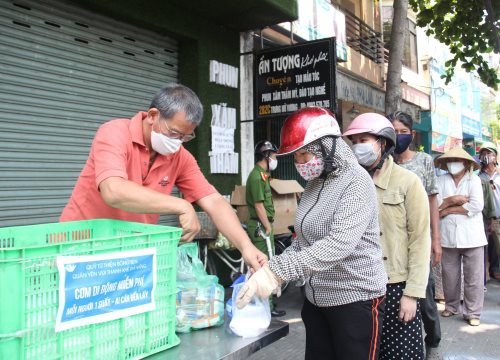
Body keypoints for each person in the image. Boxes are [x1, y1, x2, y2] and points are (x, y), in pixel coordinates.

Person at [60, 84, 266, 271]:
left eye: (186, 137)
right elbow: (113, 191)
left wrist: (246, 247)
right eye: (174, 133)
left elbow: (213, 201)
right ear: (152, 115)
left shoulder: (179, 157)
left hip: (130, 254)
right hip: (81, 247)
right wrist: (182, 206)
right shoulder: (114, 133)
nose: (178, 142)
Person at [237, 107, 387, 360]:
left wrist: (279, 271)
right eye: (296, 157)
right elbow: (304, 240)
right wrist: (273, 267)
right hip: (317, 302)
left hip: (355, 301)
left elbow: (339, 244)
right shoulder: (314, 184)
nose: (300, 163)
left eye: (304, 154)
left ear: (326, 147)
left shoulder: (356, 181)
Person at [344, 113, 431, 360]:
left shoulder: (408, 182)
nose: (359, 146)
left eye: (365, 139)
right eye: (355, 141)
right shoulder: (350, 183)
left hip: (396, 288)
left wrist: (412, 294)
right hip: (360, 289)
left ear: (382, 143)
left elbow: (420, 240)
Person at [387, 111, 442, 358]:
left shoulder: (423, 161)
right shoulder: (384, 162)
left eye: (403, 131)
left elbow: (432, 202)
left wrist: (436, 241)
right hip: (392, 247)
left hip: (420, 242)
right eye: (394, 131)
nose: (398, 136)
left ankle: (433, 340)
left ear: (412, 134)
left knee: (426, 299)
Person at [435, 148, 487, 326]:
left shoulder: (474, 180)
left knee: (474, 277)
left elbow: (476, 206)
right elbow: (436, 207)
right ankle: (450, 306)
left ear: (465, 163)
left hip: (472, 236)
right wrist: (452, 200)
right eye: (450, 160)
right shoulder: (440, 180)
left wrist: (447, 209)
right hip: (448, 236)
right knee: (449, 275)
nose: (453, 163)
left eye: (457, 159)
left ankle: (473, 313)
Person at [245, 140, 285, 317]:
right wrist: (267, 226)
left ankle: (267, 304)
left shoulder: (263, 175)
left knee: (269, 263)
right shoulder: (256, 176)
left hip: (265, 225)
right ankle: (266, 307)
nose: (275, 159)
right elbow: (259, 205)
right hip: (261, 227)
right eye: (274, 155)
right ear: (267, 156)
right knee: (263, 267)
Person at [478, 142, 500, 280]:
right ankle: (484, 274)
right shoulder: (477, 176)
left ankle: (495, 268)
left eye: (489, 153)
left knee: (497, 246)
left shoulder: (499, 175)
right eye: (484, 153)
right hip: (483, 217)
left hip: (498, 215)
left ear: (495, 156)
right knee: (483, 246)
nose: (487, 156)